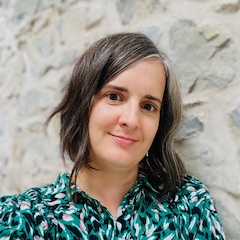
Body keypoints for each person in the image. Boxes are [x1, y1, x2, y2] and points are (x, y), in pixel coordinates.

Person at [0, 32, 225, 239]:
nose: (131, 119)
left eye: (148, 106)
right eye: (114, 96)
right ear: (82, 105)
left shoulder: (189, 204)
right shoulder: (23, 218)